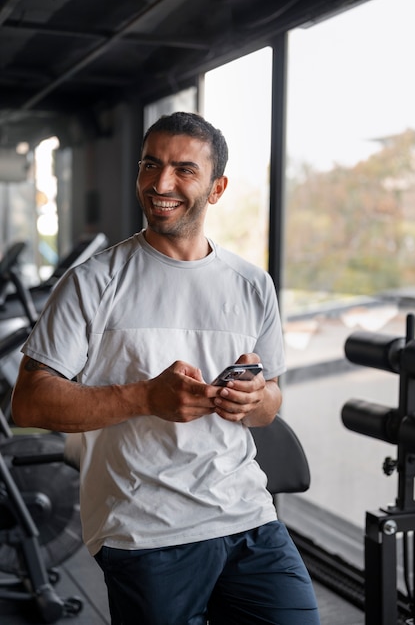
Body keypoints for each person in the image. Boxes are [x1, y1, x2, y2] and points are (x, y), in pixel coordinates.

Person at [12, 111, 320, 625]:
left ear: (217, 188)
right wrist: (145, 398)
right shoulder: (92, 282)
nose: (160, 183)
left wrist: (254, 399)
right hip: (145, 528)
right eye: (150, 165)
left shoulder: (251, 285)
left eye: (183, 170)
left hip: (247, 515)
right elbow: (30, 400)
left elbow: (269, 406)